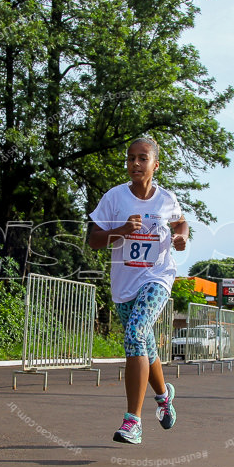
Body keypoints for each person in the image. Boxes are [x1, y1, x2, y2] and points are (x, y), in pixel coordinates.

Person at [88, 136, 188, 444]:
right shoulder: (115, 198)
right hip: (125, 283)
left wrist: (182, 237)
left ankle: (133, 421)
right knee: (144, 341)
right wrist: (119, 231)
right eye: (131, 158)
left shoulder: (166, 199)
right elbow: (93, 240)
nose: (135, 163)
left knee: (134, 335)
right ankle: (163, 395)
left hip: (158, 277)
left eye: (142, 158)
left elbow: (181, 223)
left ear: (155, 165)